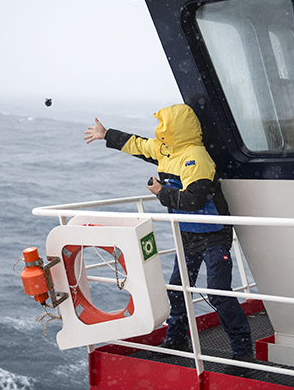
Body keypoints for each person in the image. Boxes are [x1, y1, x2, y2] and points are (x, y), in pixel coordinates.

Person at [84, 104, 254, 376]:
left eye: (165, 128)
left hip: (213, 234)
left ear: (176, 130)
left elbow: (194, 200)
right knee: (177, 289)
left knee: (218, 293)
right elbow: (138, 145)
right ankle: (176, 338)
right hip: (187, 233)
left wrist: (160, 192)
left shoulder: (196, 158)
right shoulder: (167, 150)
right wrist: (107, 135)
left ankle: (244, 352)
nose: (160, 132)